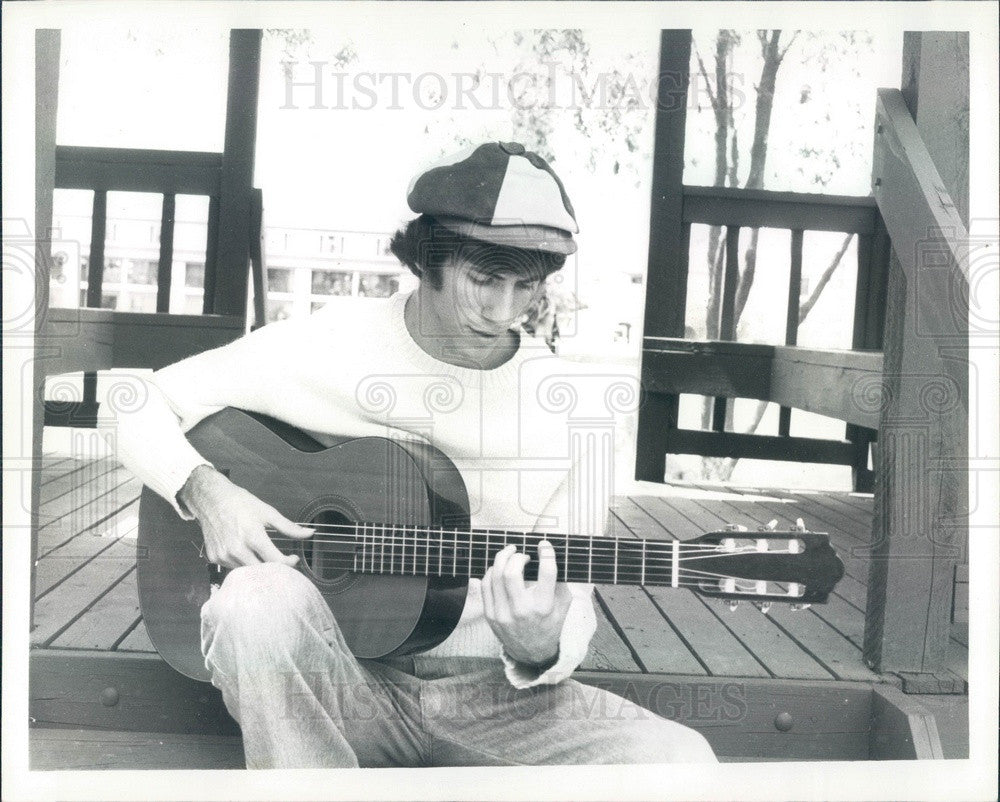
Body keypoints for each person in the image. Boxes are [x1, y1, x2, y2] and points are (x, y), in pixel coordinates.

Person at [116, 141, 716, 768]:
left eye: (526, 287)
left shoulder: (577, 413)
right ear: (429, 259)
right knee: (251, 600)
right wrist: (207, 492)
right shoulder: (329, 343)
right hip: (337, 684)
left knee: (681, 760)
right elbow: (132, 400)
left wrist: (539, 646)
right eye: (484, 281)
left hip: (499, 704)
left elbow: (575, 606)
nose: (504, 311)